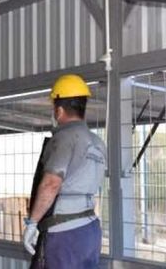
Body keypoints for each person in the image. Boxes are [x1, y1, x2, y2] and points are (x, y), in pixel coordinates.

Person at [23, 74, 106, 269]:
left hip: (64, 233)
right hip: (91, 229)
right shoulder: (97, 142)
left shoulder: (64, 138)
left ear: (59, 110)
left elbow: (51, 183)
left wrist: (32, 223)